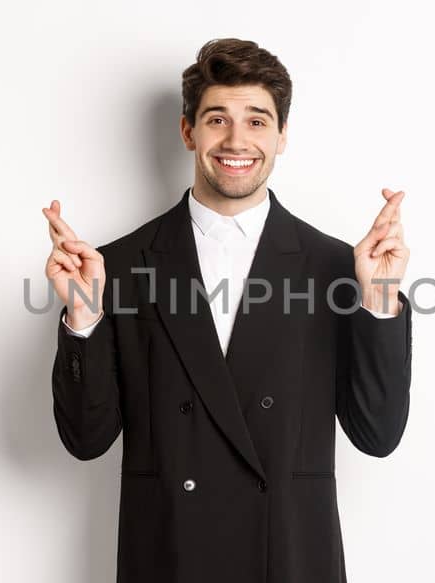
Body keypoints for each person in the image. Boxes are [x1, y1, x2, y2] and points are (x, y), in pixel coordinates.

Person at [41, 38, 413, 583]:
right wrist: (83, 318)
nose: (238, 140)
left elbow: (377, 437)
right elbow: (85, 440)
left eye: (258, 121)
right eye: (218, 119)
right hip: (168, 559)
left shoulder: (338, 268)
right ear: (188, 130)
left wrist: (379, 302)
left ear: (283, 136)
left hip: (289, 561)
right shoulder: (116, 266)